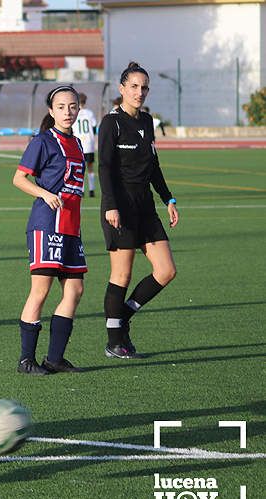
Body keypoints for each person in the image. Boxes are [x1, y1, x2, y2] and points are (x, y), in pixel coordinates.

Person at [99, 62, 179, 359]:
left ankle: (122, 318)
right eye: (134, 86)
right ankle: (114, 340)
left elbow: (153, 166)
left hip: (145, 207)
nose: (140, 92)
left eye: (144, 87)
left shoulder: (146, 121)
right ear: (122, 89)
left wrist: (168, 198)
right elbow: (105, 167)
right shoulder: (111, 122)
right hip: (120, 207)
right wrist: (110, 205)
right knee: (122, 273)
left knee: (166, 271)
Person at [12, 86, 87, 376]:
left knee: (75, 290)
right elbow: (19, 178)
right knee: (40, 291)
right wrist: (44, 193)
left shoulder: (78, 143)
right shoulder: (42, 141)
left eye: (72, 106)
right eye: (61, 107)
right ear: (51, 111)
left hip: (71, 226)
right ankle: (26, 361)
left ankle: (55, 358)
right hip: (47, 224)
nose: (67, 112)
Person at [71, 93, 97, 197]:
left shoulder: (75, 113)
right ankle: (91, 190)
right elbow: (94, 128)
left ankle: (81, 190)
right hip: (89, 143)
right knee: (90, 167)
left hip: (79, 144)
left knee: (80, 168)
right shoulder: (90, 113)